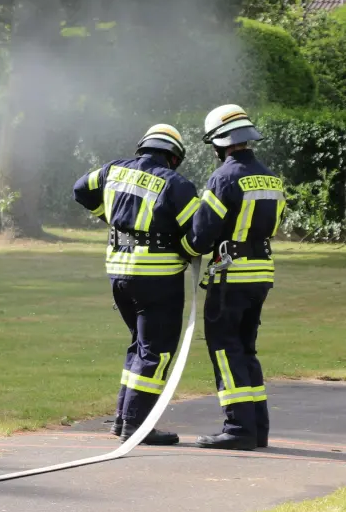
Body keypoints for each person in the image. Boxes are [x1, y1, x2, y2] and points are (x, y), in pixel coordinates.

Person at [73, 124, 204, 445]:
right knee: (156, 351)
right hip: (157, 277)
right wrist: (188, 251)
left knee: (140, 346)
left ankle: (123, 418)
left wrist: (111, 216)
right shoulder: (176, 184)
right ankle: (138, 424)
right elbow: (197, 234)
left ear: (143, 147)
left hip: (118, 273)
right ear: (174, 157)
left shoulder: (113, 170)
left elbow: (80, 189)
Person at [190, 104, 285, 451]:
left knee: (226, 350)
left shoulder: (223, 178)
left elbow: (201, 235)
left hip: (230, 277)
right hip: (261, 273)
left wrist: (185, 246)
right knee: (245, 349)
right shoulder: (271, 177)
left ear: (219, 143)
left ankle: (237, 428)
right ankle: (257, 428)